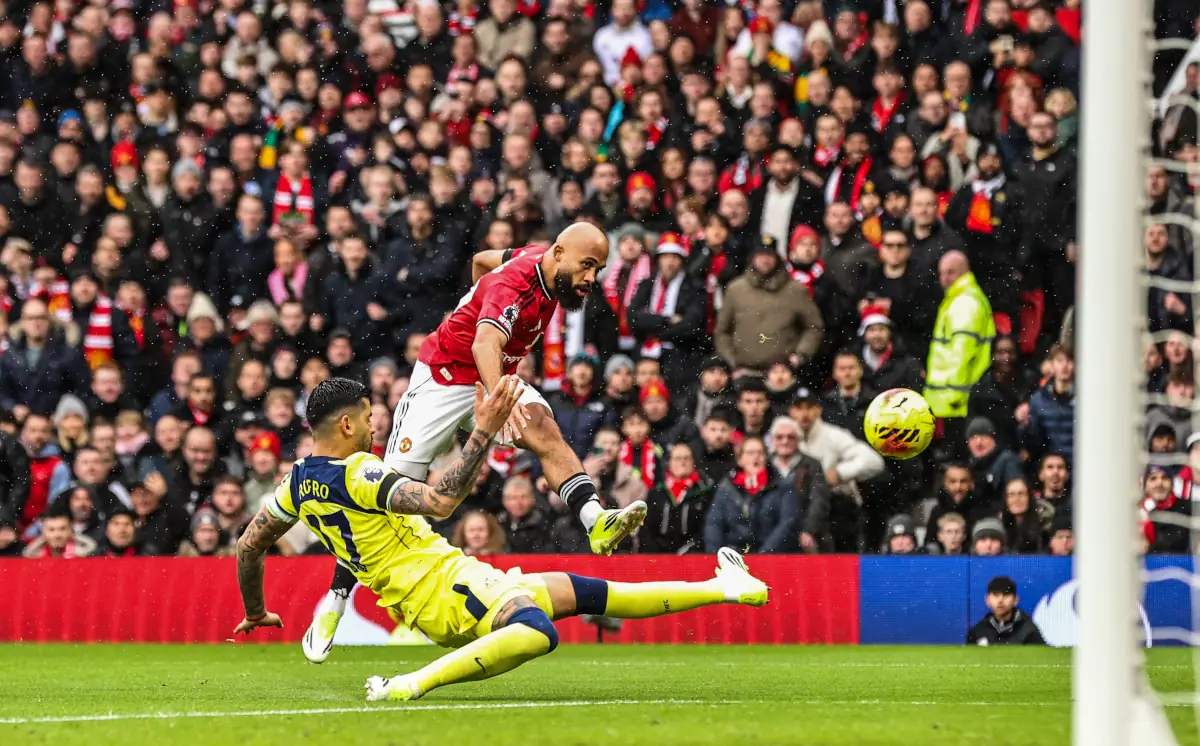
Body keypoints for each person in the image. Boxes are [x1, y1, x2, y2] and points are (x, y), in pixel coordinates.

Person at [233, 377, 768, 702]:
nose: (376, 429)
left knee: (585, 591)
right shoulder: (360, 476)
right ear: (347, 424)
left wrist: (256, 611)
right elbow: (442, 502)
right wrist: (483, 430)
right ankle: (410, 683)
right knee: (538, 632)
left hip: (446, 581)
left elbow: (248, 546)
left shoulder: (296, 484)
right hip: (443, 590)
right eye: (370, 420)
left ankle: (724, 586)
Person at [304, 224, 650, 662]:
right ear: (560, 252)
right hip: (442, 380)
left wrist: (476, 298)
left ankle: (596, 519)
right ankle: (336, 597)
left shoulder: (535, 258)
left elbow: (482, 259)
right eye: (587, 266)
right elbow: (487, 341)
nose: (591, 279)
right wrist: (494, 399)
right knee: (386, 499)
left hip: (491, 378)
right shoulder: (515, 286)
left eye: (597, 269)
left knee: (546, 432)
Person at [924, 251, 996, 458]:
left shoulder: (964, 303)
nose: (945, 278)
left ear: (965, 272)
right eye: (942, 273)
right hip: (955, 395)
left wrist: (953, 395)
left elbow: (961, 353)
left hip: (956, 399)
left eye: (951, 272)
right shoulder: (959, 298)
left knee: (955, 457)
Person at [966, 576, 1045, 646]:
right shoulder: (977, 632)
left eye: (1006, 595)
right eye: (996, 595)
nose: (1000, 600)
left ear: (1015, 600)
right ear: (987, 600)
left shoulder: (1029, 631)